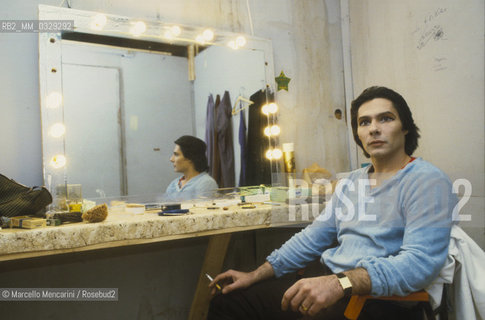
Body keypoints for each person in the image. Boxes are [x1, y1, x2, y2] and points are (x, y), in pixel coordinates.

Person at [207, 86, 457, 319]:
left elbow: (418, 264)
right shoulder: (351, 183)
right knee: (231, 300)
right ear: (357, 134)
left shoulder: (427, 181)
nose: (374, 128)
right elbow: (312, 237)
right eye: (364, 122)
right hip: (336, 287)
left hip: (381, 300)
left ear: (405, 127)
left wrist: (341, 283)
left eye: (386, 118)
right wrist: (254, 275)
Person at [165, 135, 218, 200]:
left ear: (190, 157)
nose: (171, 159)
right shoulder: (173, 184)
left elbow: (201, 209)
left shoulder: (206, 183)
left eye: (176, 154)